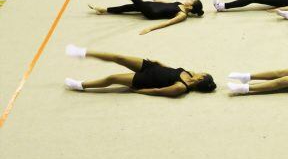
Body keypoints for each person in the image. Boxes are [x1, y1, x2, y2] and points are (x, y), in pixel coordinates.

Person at [63, 45, 215, 95]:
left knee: (112, 78)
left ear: (201, 79)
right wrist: (160, 63)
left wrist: (139, 91)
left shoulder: (182, 87)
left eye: (202, 74)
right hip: (152, 67)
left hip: (145, 80)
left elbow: (158, 91)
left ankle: (80, 85)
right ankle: (83, 53)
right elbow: (171, 71)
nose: (200, 71)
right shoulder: (189, 73)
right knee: (119, 57)